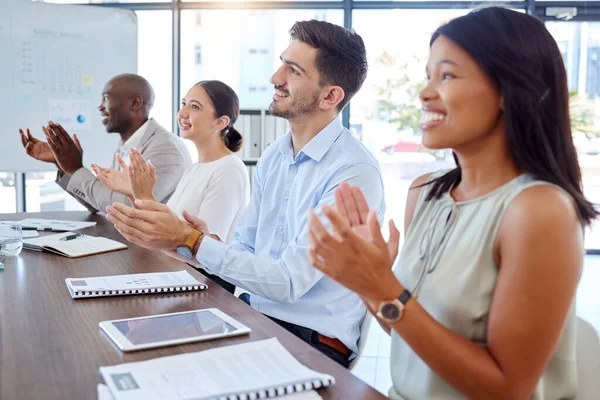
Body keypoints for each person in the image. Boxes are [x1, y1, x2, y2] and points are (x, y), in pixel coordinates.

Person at [307, 7, 596, 399]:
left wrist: (384, 286)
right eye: (428, 76)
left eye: (447, 75)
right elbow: (408, 329)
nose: (425, 93)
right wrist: (369, 284)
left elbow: (507, 389)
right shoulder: (425, 194)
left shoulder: (539, 211)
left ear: (509, 90)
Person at [105, 20, 384, 368]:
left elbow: (287, 282)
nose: (275, 78)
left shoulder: (352, 173)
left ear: (330, 96)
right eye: (282, 62)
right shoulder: (275, 156)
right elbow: (244, 249)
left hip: (310, 341)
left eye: (293, 70)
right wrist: (192, 243)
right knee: (133, 348)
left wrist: (192, 241)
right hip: (254, 317)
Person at [96, 80, 250, 293]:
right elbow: (169, 231)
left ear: (221, 122)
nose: (183, 113)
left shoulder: (229, 170)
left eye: (195, 107)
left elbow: (208, 251)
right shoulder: (195, 168)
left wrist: (142, 194)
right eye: (184, 103)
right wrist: (138, 193)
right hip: (179, 275)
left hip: (207, 288)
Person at [18, 74, 191, 213]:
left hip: (154, 255)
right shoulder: (127, 145)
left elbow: (125, 208)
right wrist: (62, 164)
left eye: (106, 98)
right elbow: (99, 204)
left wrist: (76, 169)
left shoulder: (166, 149)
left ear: (135, 102)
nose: (100, 107)